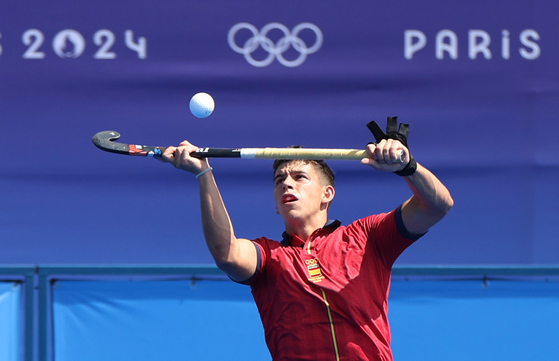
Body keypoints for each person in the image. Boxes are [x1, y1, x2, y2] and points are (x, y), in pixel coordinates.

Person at [159, 120, 453, 361]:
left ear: (327, 194)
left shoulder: (368, 236)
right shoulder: (268, 256)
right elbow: (227, 253)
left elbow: (437, 205)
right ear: (276, 204)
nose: (287, 183)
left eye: (300, 177)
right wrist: (204, 173)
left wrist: (408, 167)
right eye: (279, 180)